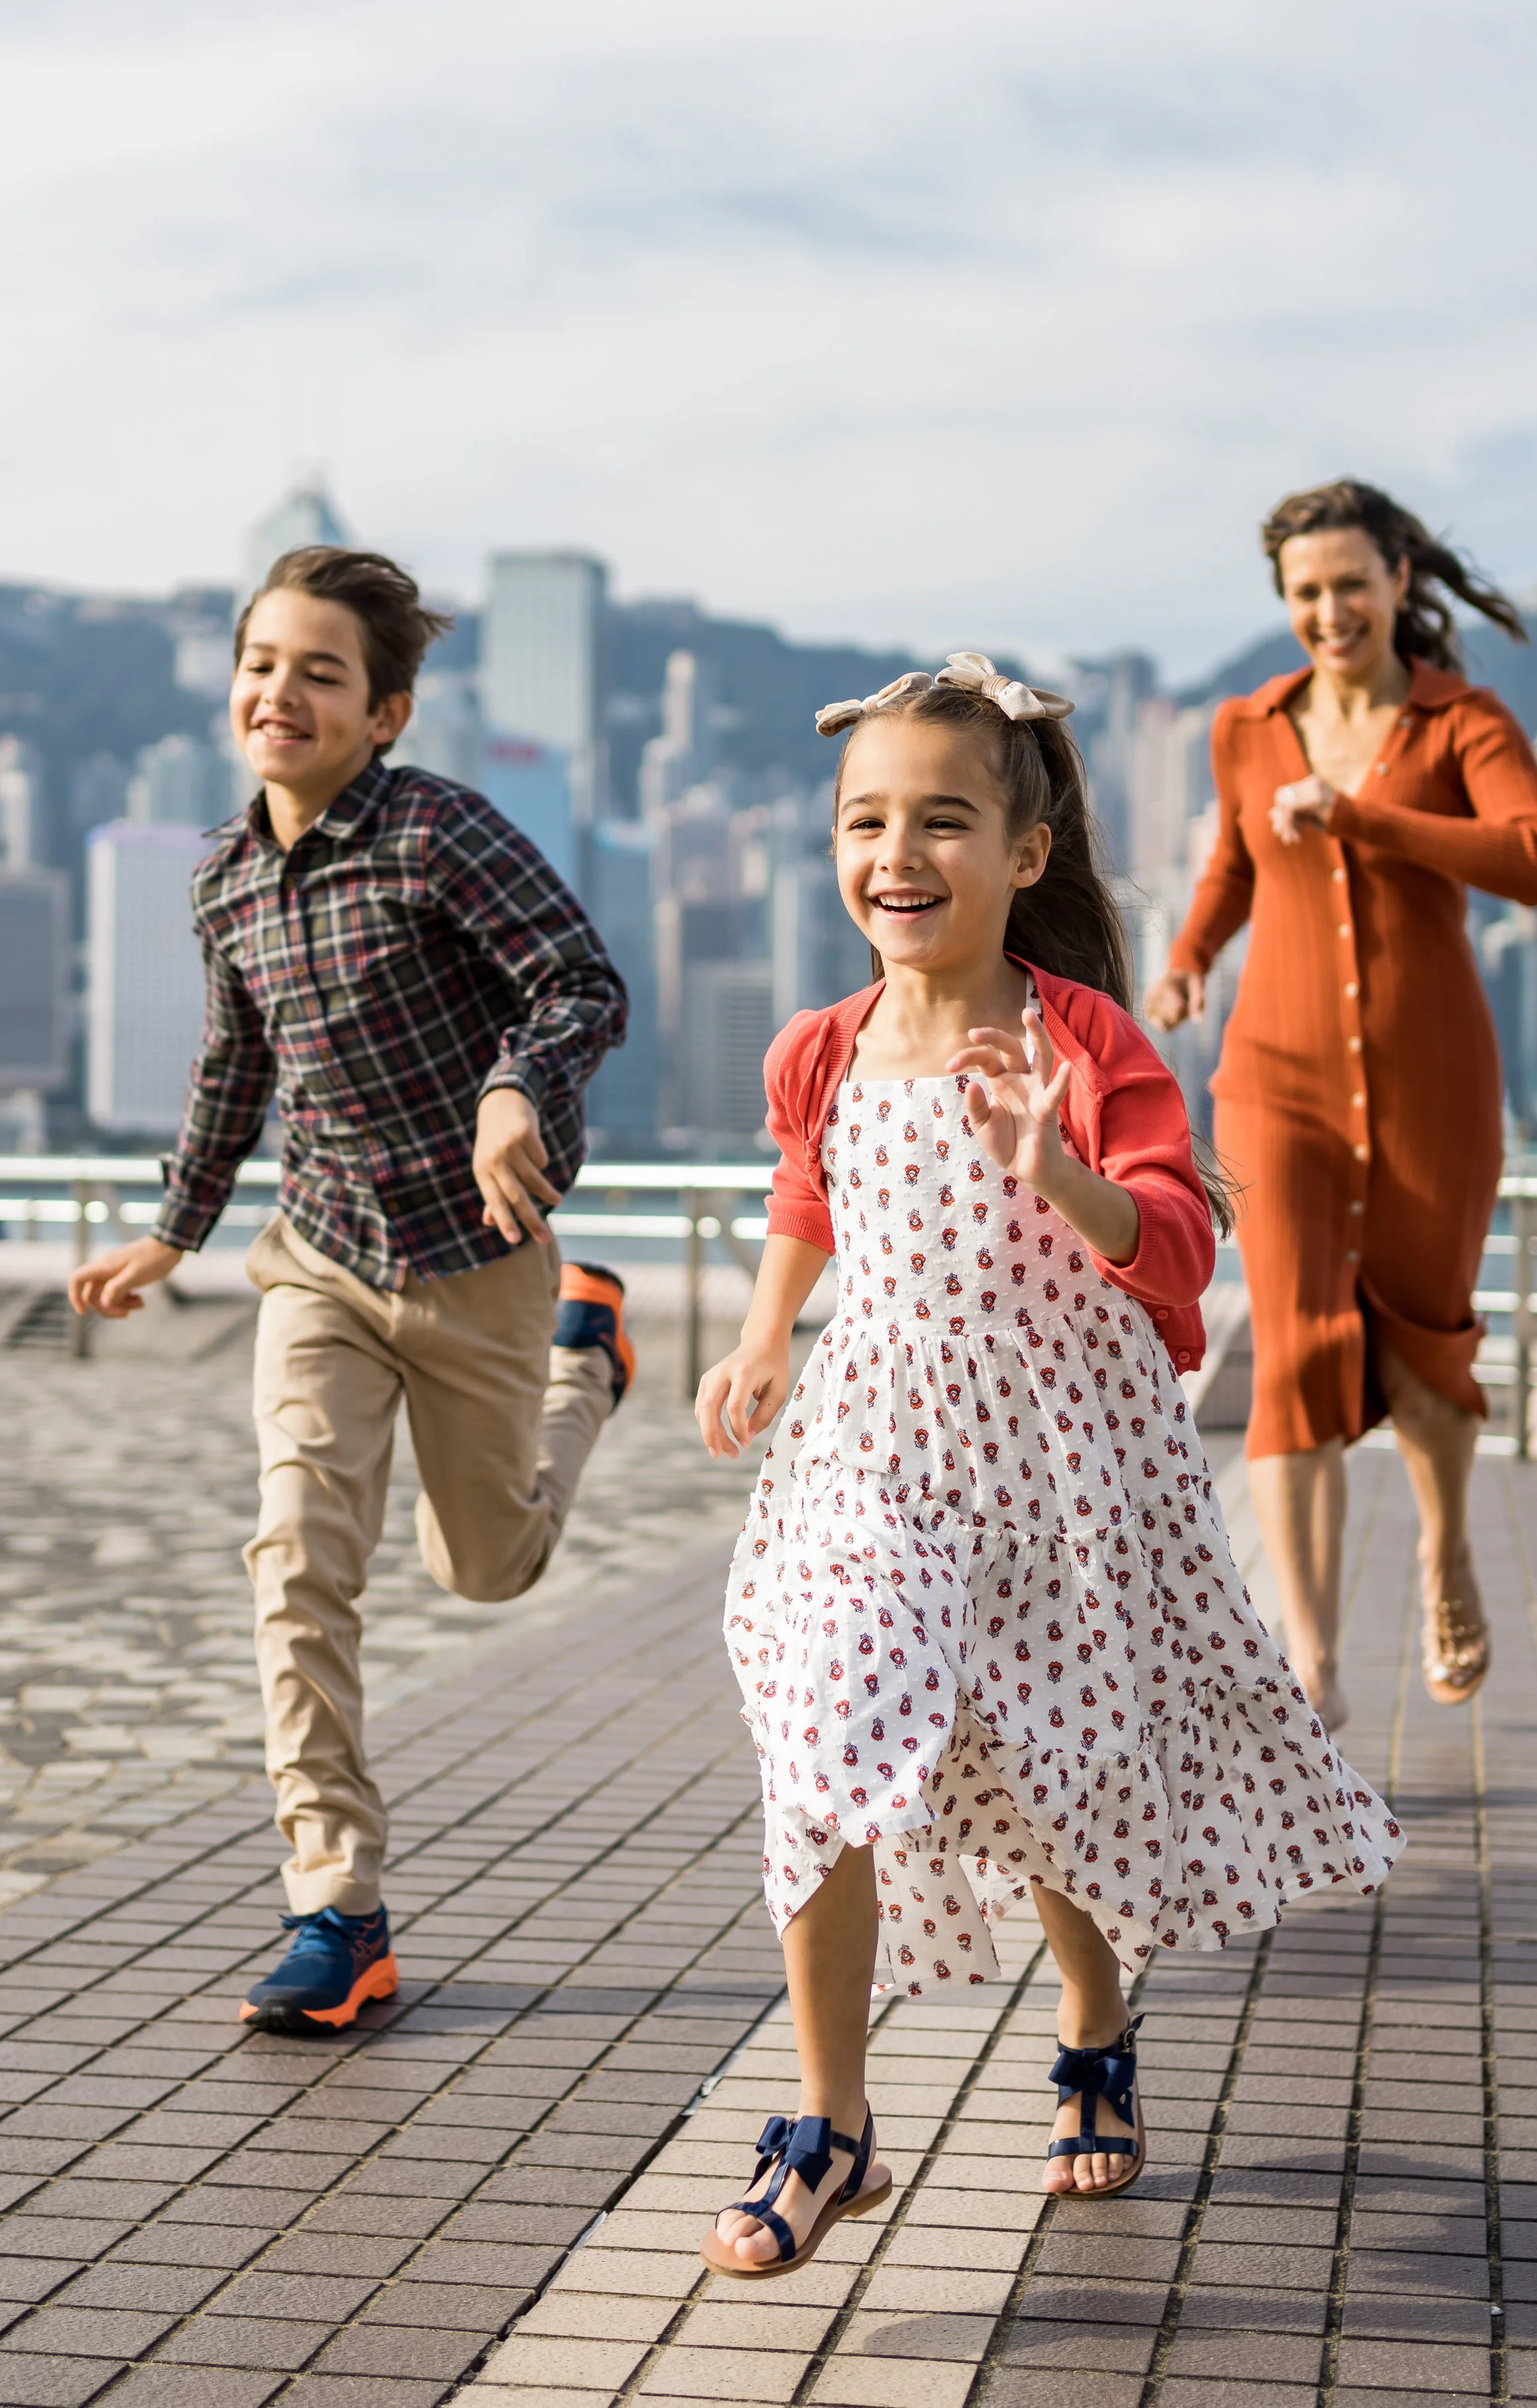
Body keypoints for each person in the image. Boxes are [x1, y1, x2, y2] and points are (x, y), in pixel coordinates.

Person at [690, 653, 1400, 2279]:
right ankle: (828, 2121)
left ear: (1024, 855)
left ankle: (1090, 2025)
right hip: (871, 1448)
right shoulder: (821, 1044)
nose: (897, 853)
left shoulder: (1077, 1040)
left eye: (942, 819)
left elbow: (1170, 1248)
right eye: (864, 820)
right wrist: (758, 1335)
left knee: (1044, 1782)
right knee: (822, 1730)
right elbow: (811, 1194)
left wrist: (1055, 1167)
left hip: (1060, 1473)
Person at [69, 547, 633, 2034]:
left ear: (384, 713)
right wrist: (172, 1237)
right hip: (317, 1257)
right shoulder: (221, 877)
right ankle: (337, 1909)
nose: (282, 692)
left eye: (322, 672)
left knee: (486, 1568)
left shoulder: (441, 832)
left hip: (480, 1261)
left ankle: (589, 1369)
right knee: (296, 1562)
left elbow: (580, 982)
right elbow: (233, 1069)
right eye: (263, 663)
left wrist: (516, 1091)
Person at [1147, 481, 1537, 1729]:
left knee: (1427, 1349)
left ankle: (1446, 1555)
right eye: (1304, 593)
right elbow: (1233, 856)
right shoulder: (1247, 726)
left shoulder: (1462, 720)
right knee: (1292, 1354)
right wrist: (1187, 959)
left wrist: (1366, 817)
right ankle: (1315, 1673)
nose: (1328, 611)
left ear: (1398, 581)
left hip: (1433, 1078)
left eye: (1349, 585)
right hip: (1272, 1078)